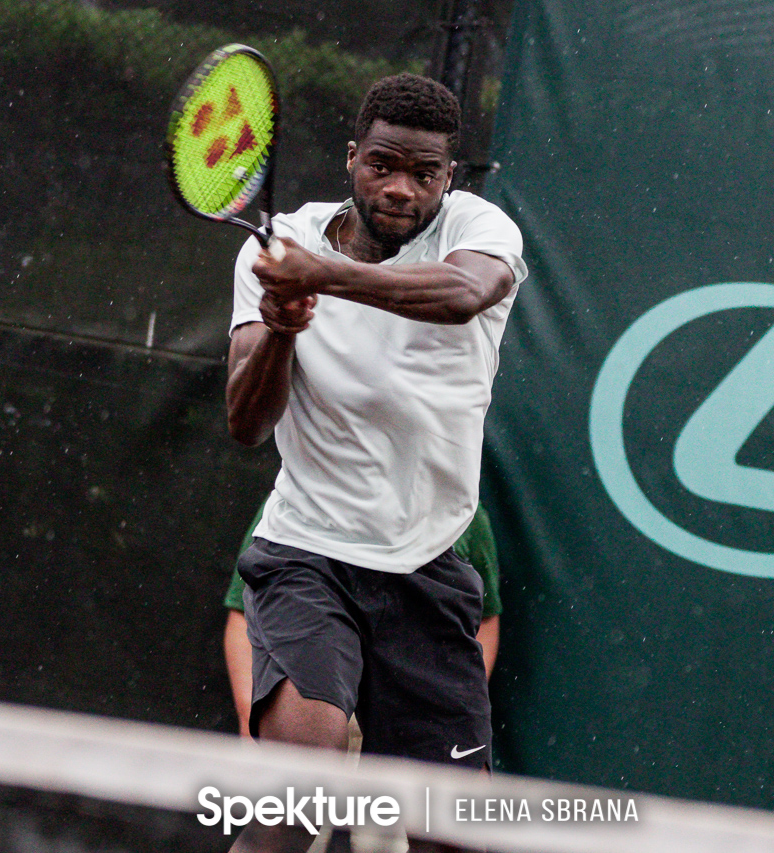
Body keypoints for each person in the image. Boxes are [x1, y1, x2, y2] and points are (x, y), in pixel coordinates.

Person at [226, 72, 527, 853]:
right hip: (307, 555)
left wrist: (324, 277)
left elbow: (464, 293)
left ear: (449, 178)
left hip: (428, 561)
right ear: (352, 157)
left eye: (424, 173)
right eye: (383, 165)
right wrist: (284, 325)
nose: (401, 189)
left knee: (449, 834)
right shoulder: (277, 246)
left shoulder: (480, 229)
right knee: (293, 803)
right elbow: (246, 422)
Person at [223, 502, 503, 738]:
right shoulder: (293, 499)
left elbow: (486, 619)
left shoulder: (463, 509)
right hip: (318, 720)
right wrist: (251, 716)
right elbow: (244, 616)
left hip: (410, 726)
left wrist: (458, 696)